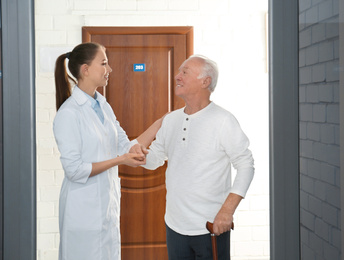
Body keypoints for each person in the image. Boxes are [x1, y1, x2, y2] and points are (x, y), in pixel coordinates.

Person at [133, 55, 255, 260]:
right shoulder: (171, 120)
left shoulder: (223, 120)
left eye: (185, 72)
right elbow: (154, 160)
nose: (177, 76)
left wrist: (227, 211)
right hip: (174, 226)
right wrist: (139, 155)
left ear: (205, 81)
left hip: (211, 226)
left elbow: (246, 165)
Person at [53, 42, 162, 260]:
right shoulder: (69, 114)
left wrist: (161, 123)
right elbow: (74, 170)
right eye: (103, 64)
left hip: (106, 208)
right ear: (85, 69)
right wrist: (120, 160)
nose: (109, 69)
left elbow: (124, 144)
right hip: (82, 210)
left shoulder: (102, 105)